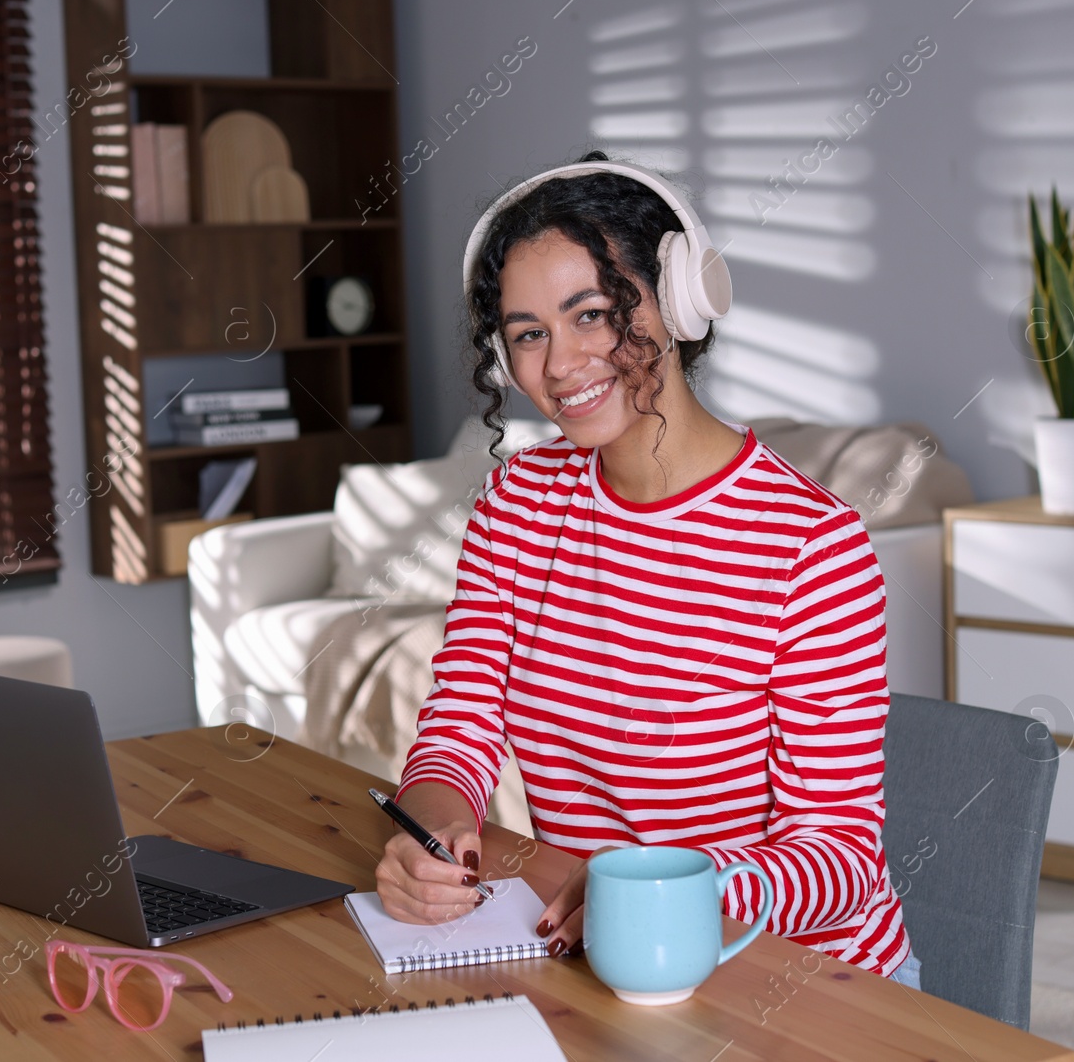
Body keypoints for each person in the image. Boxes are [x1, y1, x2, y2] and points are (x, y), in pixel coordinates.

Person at [371, 150, 919, 989]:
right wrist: (430, 834)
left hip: (803, 983)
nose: (558, 365)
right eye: (528, 333)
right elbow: (463, 719)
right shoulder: (519, 502)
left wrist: (661, 892)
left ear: (679, 300)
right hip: (611, 962)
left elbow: (841, 852)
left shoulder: (813, 545)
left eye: (591, 313)